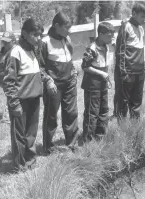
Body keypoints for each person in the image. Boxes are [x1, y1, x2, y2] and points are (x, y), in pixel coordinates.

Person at [2, 18, 43, 170]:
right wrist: (14, 104)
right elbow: (9, 81)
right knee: (19, 134)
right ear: (24, 34)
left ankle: (30, 160)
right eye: (35, 34)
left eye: (40, 35)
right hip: (20, 101)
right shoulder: (16, 52)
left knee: (31, 132)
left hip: (34, 99)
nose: (38, 38)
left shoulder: (33, 50)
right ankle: (19, 165)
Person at [39, 12, 80, 153]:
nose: (69, 31)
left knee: (71, 113)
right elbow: (39, 67)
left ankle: (72, 144)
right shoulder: (44, 42)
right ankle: (47, 147)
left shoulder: (66, 39)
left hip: (69, 84)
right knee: (51, 116)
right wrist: (48, 81)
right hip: (53, 86)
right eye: (66, 27)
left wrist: (73, 71)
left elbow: (69, 59)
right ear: (56, 26)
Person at [114, 1, 145, 120]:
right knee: (123, 102)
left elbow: (140, 50)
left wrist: (143, 68)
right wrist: (122, 72)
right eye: (142, 16)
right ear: (134, 13)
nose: (144, 19)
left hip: (139, 72)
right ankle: (122, 130)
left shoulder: (140, 28)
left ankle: (135, 128)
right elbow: (120, 51)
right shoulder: (126, 27)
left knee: (136, 102)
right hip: (127, 73)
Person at [81, 22, 115, 142]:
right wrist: (101, 73)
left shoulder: (106, 46)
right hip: (92, 85)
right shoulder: (92, 49)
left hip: (103, 84)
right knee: (92, 113)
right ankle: (88, 140)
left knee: (104, 110)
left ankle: (100, 136)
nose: (112, 38)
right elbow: (85, 66)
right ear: (100, 34)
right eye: (109, 35)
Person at [0, 32, 17, 124]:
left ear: (13, 41)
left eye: (7, 42)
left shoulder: (15, 51)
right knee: (9, 97)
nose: (5, 43)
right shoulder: (3, 50)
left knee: (11, 97)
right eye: (3, 41)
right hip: (2, 80)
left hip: (10, 80)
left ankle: (7, 118)